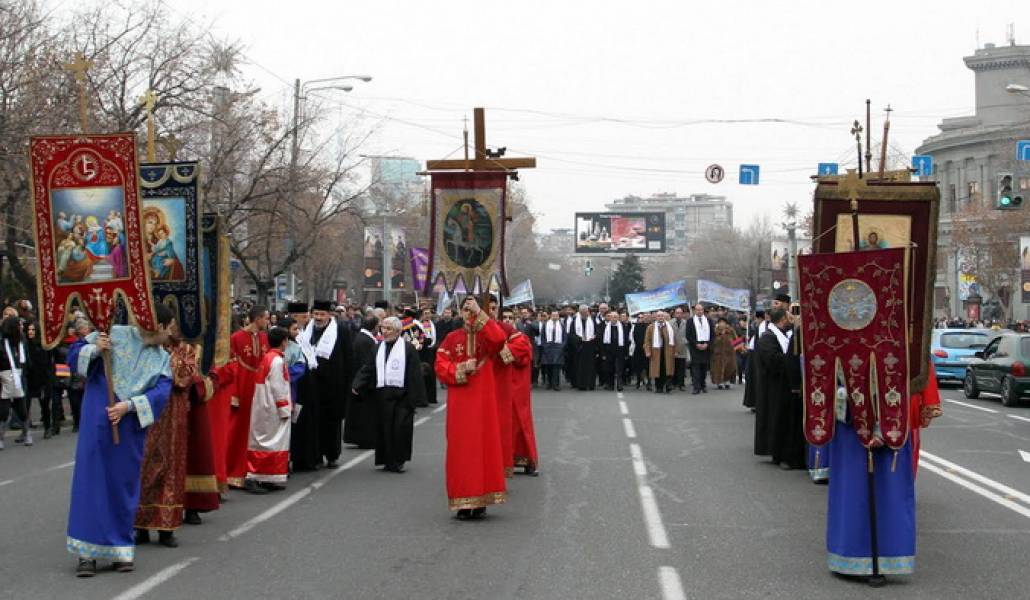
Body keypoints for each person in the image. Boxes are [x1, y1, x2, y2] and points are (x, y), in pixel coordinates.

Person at [66, 304, 174, 577]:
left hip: (129, 426)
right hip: (98, 419)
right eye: (170, 327)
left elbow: (162, 391)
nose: (171, 333)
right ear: (159, 326)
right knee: (92, 483)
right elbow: (73, 356)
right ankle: (87, 555)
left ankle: (120, 549)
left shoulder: (162, 357)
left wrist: (130, 406)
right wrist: (93, 348)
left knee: (123, 484)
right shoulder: (113, 333)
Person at [435, 297, 508, 519]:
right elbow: (440, 364)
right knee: (461, 449)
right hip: (460, 403)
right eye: (466, 310)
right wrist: (459, 368)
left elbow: (499, 340)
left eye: (472, 311)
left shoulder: (486, 337)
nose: (469, 315)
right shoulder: (451, 338)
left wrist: (481, 312)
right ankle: (462, 500)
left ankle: (482, 498)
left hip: (484, 402)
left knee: (484, 448)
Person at [135, 335, 203, 547]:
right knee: (146, 467)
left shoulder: (186, 350)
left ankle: (167, 528)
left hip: (174, 414)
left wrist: (168, 362)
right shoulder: (146, 347)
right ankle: (140, 526)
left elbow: (184, 377)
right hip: (150, 415)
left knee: (171, 467)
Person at [352, 316, 425, 473]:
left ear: (398, 331)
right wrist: (357, 384)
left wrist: (414, 399)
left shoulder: (408, 348)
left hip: (402, 396)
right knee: (384, 429)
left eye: (389, 329)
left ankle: (398, 461)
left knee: (400, 429)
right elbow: (368, 368)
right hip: (383, 395)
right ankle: (386, 460)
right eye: (383, 328)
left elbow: (414, 374)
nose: (385, 332)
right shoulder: (377, 348)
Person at [295, 300, 353, 469]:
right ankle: (316, 453)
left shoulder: (341, 330)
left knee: (331, 421)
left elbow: (348, 357)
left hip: (333, 384)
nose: (318, 318)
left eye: (322, 314)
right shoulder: (307, 329)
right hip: (312, 384)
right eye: (316, 314)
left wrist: (348, 381)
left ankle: (332, 454)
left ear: (329, 315)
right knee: (314, 420)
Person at [752, 308, 805, 470]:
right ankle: (780, 453)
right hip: (773, 387)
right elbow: (774, 361)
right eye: (789, 317)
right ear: (782, 320)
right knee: (777, 419)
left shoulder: (783, 334)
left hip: (783, 386)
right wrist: (793, 358)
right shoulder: (767, 338)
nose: (792, 320)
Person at [243, 327, 293, 493]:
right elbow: (279, 387)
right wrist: (284, 409)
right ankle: (254, 476)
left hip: (263, 402)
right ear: (284, 341)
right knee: (271, 441)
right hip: (271, 406)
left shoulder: (268, 357)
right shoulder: (277, 361)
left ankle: (268, 476)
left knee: (263, 440)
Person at [225, 306, 270, 488]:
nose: (267, 322)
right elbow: (231, 366)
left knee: (258, 431)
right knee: (239, 431)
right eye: (265, 318)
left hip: (260, 387)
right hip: (243, 387)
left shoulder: (264, 338)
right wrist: (234, 393)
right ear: (256, 319)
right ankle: (234, 472)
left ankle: (254, 470)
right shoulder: (236, 338)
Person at [344, 315, 379, 449]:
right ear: (374, 326)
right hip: (364, 383)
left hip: (362, 381)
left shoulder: (364, 338)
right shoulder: (365, 341)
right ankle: (365, 439)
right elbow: (366, 363)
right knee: (365, 414)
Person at [0, 316, 31, 448]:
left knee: (22, 409)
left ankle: (27, 433)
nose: (21, 327)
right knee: (3, 411)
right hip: (4, 377)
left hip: (19, 376)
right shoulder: (2, 341)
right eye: (19, 325)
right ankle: (1, 437)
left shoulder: (21, 340)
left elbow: (26, 359)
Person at [25, 321, 58, 439]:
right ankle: (24, 431)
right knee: (24, 406)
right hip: (29, 378)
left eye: (33, 330)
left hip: (43, 379)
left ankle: (47, 427)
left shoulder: (44, 345)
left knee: (44, 406)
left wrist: (49, 379)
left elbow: (50, 363)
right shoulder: (25, 344)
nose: (30, 332)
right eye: (29, 330)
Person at [685, 304, 714, 395]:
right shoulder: (690, 321)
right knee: (695, 367)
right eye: (697, 310)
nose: (699, 311)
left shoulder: (708, 320)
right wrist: (696, 344)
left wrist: (707, 344)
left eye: (701, 310)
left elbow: (712, 334)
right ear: (694, 311)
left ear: (703, 310)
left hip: (706, 346)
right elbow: (688, 335)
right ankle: (696, 387)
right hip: (695, 346)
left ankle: (703, 385)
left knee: (704, 367)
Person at [569, 305, 598, 391]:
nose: (584, 313)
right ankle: (581, 384)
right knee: (580, 366)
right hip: (580, 346)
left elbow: (597, 331)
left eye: (585, 311)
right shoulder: (574, 321)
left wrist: (595, 336)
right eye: (582, 311)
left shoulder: (592, 320)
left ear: (587, 311)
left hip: (590, 345)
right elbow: (571, 334)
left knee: (591, 366)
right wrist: (579, 338)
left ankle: (590, 384)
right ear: (579, 312)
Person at [645, 312, 675, 393]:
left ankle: (668, 385)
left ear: (664, 317)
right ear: (656, 317)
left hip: (667, 351)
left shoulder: (669, 327)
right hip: (656, 351)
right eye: (658, 316)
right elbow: (647, 341)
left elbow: (674, 340)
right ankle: (659, 387)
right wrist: (647, 351)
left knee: (667, 368)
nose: (660, 317)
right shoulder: (651, 327)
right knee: (658, 369)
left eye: (662, 316)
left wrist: (675, 351)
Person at [599, 311, 628, 391]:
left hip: (620, 350)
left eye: (615, 317)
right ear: (609, 318)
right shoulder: (605, 327)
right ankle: (610, 384)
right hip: (609, 350)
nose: (614, 318)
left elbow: (626, 340)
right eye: (612, 317)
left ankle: (619, 384)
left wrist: (626, 352)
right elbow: (602, 341)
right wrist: (603, 353)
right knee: (609, 368)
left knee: (619, 368)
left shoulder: (623, 326)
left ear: (618, 318)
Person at [540, 311, 565, 391]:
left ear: (558, 316)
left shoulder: (561, 325)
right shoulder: (546, 324)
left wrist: (562, 346)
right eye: (553, 315)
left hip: (558, 347)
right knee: (548, 366)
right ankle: (549, 383)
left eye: (556, 315)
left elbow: (565, 337)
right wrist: (544, 345)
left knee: (556, 366)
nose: (555, 317)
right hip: (548, 347)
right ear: (550, 316)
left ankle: (556, 384)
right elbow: (543, 336)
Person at [710, 317, 738, 390]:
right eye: (720, 322)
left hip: (730, 353)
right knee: (718, 368)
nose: (722, 324)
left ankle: (727, 381)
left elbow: (736, 340)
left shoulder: (731, 330)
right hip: (718, 353)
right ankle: (719, 382)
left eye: (724, 322)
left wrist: (742, 348)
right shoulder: (715, 331)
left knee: (729, 367)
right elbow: (712, 341)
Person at [629, 313, 651, 390]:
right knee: (638, 367)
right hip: (638, 348)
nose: (641, 319)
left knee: (648, 367)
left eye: (642, 317)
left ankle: (649, 383)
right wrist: (640, 345)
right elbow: (634, 337)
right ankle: (638, 381)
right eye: (639, 317)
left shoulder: (648, 326)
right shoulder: (636, 326)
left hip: (647, 349)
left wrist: (646, 346)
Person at [671, 307, 689, 391]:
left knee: (682, 367)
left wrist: (685, 341)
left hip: (682, 347)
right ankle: (674, 383)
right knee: (674, 366)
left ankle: (681, 384)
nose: (679, 314)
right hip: (673, 347)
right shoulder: (670, 323)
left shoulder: (686, 323)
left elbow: (688, 334)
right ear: (674, 314)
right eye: (677, 313)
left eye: (680, 313)